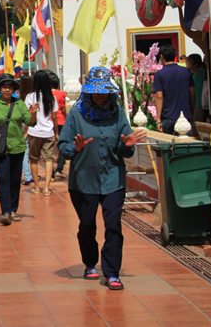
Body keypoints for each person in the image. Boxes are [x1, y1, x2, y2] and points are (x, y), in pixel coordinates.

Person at [58, 66, 146, 291]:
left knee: (113, 225)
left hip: (113, 179)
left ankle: (112, 272)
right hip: (83, 180)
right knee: (87, 225)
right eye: (95, 91)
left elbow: (125, 146)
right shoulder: (76, 113)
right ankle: (89, 262)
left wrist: (127, 146)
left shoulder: (117, 113)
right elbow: (64, 146)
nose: (99, 95)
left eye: (103, 91)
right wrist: (75, 148)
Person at [0, 74, 38, 225]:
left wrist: (33, 113)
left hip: (17, 147)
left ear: (14, 89)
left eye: (10, 87)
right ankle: (5, 211)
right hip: (0, 148)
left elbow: (30, 122)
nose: (7, 90)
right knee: (3, 179)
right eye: (4, 87)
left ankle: (14, 209)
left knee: (15, 180)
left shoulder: (20, 104)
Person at [25, 70, 59, 196]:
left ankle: (36, 187)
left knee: (33, 159)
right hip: (48, 132)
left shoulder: (30, 97)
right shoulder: (52, 97)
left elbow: (28, 116)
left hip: (34, 132)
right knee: (48, 159)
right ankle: (46, 188)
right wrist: (56, 132)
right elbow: (54, 117)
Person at [153, 46, 194, 134]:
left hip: (168, 117)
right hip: (185, 117)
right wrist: (191, 112)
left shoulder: (159, 75)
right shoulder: (186, 72)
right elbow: (192, 93)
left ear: (161, 57)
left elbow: (159, 96)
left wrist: (158, 119)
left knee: (169, 145)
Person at [50, 73, 68, 178]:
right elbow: (63, 108)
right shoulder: (61, 94)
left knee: (50, 147)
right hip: (61, 121)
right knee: (61, 144)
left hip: (49, 122)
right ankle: (59, 168)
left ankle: (50, 169)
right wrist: (66, 117)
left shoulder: (46, 93)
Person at [186, 53, 207, 122]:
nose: (187, 63)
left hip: (199, 104)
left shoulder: (200, 72)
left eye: (189, 61)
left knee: (196, 125)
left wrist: (185, 58)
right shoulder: (194, 73)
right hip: (196, 103)